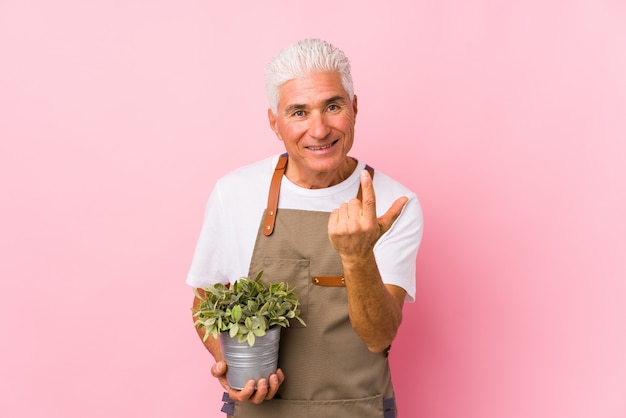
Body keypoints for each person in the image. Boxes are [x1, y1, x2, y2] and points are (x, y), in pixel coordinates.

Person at [187, 38, 423, 418]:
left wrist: (358, 256)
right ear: (274, 123)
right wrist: (232, 367)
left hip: (359, 409)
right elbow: (204, 301)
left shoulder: (394, 203)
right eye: (298, 112)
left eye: (333, 106)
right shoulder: (235, 193)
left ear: (355, 108)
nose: (319, 129)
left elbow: (379, 335)